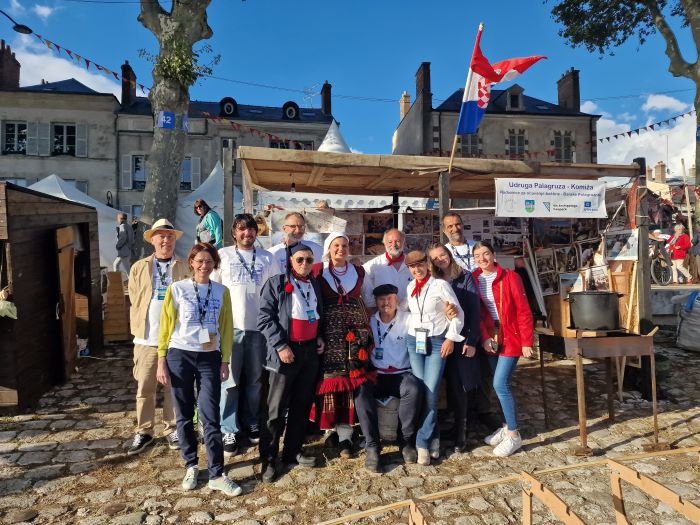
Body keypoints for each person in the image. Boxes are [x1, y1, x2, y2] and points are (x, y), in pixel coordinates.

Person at [156, 243, 240, 496]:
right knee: (183, 414)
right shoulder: (177, 289)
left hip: (209, 357)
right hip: (179, 354)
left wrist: (225, 360)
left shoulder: (221, 291)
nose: (205, 266)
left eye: (209, 262)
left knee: (210, 414)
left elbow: (227, 328)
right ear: (191, 263)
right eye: (200, 261)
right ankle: (191, 464)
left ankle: (216, 473)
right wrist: (161, 360)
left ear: (215, 265)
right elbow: (166, 326)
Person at [257, 243, 325, 482]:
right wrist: (280, 345)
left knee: (301, 405)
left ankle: (292, 452)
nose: (305, 264)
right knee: (275, 410)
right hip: (286, 352)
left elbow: (318, 313)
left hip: (308, 352)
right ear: (290, 261)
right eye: (300, 260)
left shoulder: (314, 283)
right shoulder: (276, 283)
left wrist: (319, 337)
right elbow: (264, 317)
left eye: (308, 260)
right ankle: (268, 459)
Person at [213, 214, 275, 457]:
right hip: (231, 328)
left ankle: (251, 421)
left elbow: (274, 291)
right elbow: (214, 289)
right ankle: (228, 428)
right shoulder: (223, 255)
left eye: (251, 229)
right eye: (241, 229)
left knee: (255, 381)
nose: (247, 233)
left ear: (256, 233)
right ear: (233, 233)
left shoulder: (267, 257)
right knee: (229, 382)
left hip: (259, 329)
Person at [127, 218, 190, 455]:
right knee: (145, 386)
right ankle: (144, 430)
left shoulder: (184, 266)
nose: (166, 240)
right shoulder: (139, 267)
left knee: (173, 387)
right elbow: (135, 298)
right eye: (161, 236)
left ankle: (171, 427)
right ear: (152, 240)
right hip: (146, 339)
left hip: (175, 339)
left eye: (170, 236)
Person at [313, 232, 375, 461]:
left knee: (352, 383)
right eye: (336, 245)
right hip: (328, 337)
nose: (341, 249)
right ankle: (331, 430)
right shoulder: (318, 271)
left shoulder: (359, 272)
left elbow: (369, 301)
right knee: (330, 382)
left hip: (355, 339)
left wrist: (367, 330)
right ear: (329, 248)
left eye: (344, 245)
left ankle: (347, 434)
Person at [472, 241, 534, 458]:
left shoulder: (510, 277)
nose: (482, 259)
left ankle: (514, 435)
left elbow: (524, 311)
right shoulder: (474, 278)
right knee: (498, 385)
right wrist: (484, 338)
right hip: (491, 338)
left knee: (500, 384)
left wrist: (527, 341)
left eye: (486, 254)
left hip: (511, 338)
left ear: (494, 254)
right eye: (478, 256)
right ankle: (506, 426)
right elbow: (477, 313)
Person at [404, 250, 464, 465]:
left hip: (437, 341)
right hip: (415, 341)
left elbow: (458, 313)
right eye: (412, 267)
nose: (417, 270)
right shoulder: (410, 287)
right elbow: (408, 313)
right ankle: (434, 438)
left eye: (420, 265)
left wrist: (451, 337)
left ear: (427, 265)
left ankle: (421, 442)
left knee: (431, 392)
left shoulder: (440, 285)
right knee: (421, 391)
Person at [428, 244, 481, 452]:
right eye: (435, 258)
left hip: (461, 338)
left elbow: (474, 310)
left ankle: (462, 434)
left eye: (442, 255)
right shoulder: (435, 281)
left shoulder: (464, 276)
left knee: (460, 386)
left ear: (449, 255)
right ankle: (454, 426)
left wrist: (472, 340)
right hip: (442, 338)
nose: (440, 259)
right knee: (449, 384)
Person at [367, 284, 422, 469]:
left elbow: (423, 333)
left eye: (389, 298)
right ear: (376, 301)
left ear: (396, 300)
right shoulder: (369, 320)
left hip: (401, 373)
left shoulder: (408, 319)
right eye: (381, 299)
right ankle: (372, 446)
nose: (385, 303)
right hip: (377, 374)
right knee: (360, 391)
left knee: (413, 389)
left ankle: (405, 441)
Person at [362, 228, 413, 310]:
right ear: (384, 243)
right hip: (384, 314)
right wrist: (371, 303)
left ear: (404, 242)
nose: (394, 244)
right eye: (390, 242)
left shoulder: (412, 263)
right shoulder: (374, 264)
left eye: (398, 241)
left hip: (408, 314)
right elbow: (361, 277)